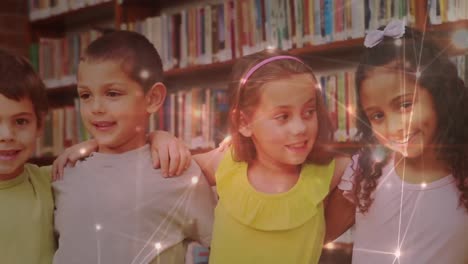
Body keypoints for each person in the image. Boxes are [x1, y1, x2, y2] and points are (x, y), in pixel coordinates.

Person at [52, 30, 216, 264]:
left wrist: (157, 136)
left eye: (112, 93)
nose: (96, 107)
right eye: (86, 95)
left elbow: (225, 245)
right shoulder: (64, 170)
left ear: (152, 99)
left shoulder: (178, 173)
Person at [326, 20, 468, 263]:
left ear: (437, 93)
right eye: (378, 115)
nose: (394, 128)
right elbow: (316, 236)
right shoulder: (364, 172)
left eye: (404, 105)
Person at [189, 50, 349, 264]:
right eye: (282, 116)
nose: (300, 128)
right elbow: (162, 168)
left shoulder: (336, 171)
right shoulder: (225, 162)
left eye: (309, 112)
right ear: (244, 122)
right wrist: (158, 138)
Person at [0, 48, 55, 264]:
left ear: (40, 124)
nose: (6, 136)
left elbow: (119, 152)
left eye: (21, 121)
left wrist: (157, 138)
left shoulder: (53, 180)